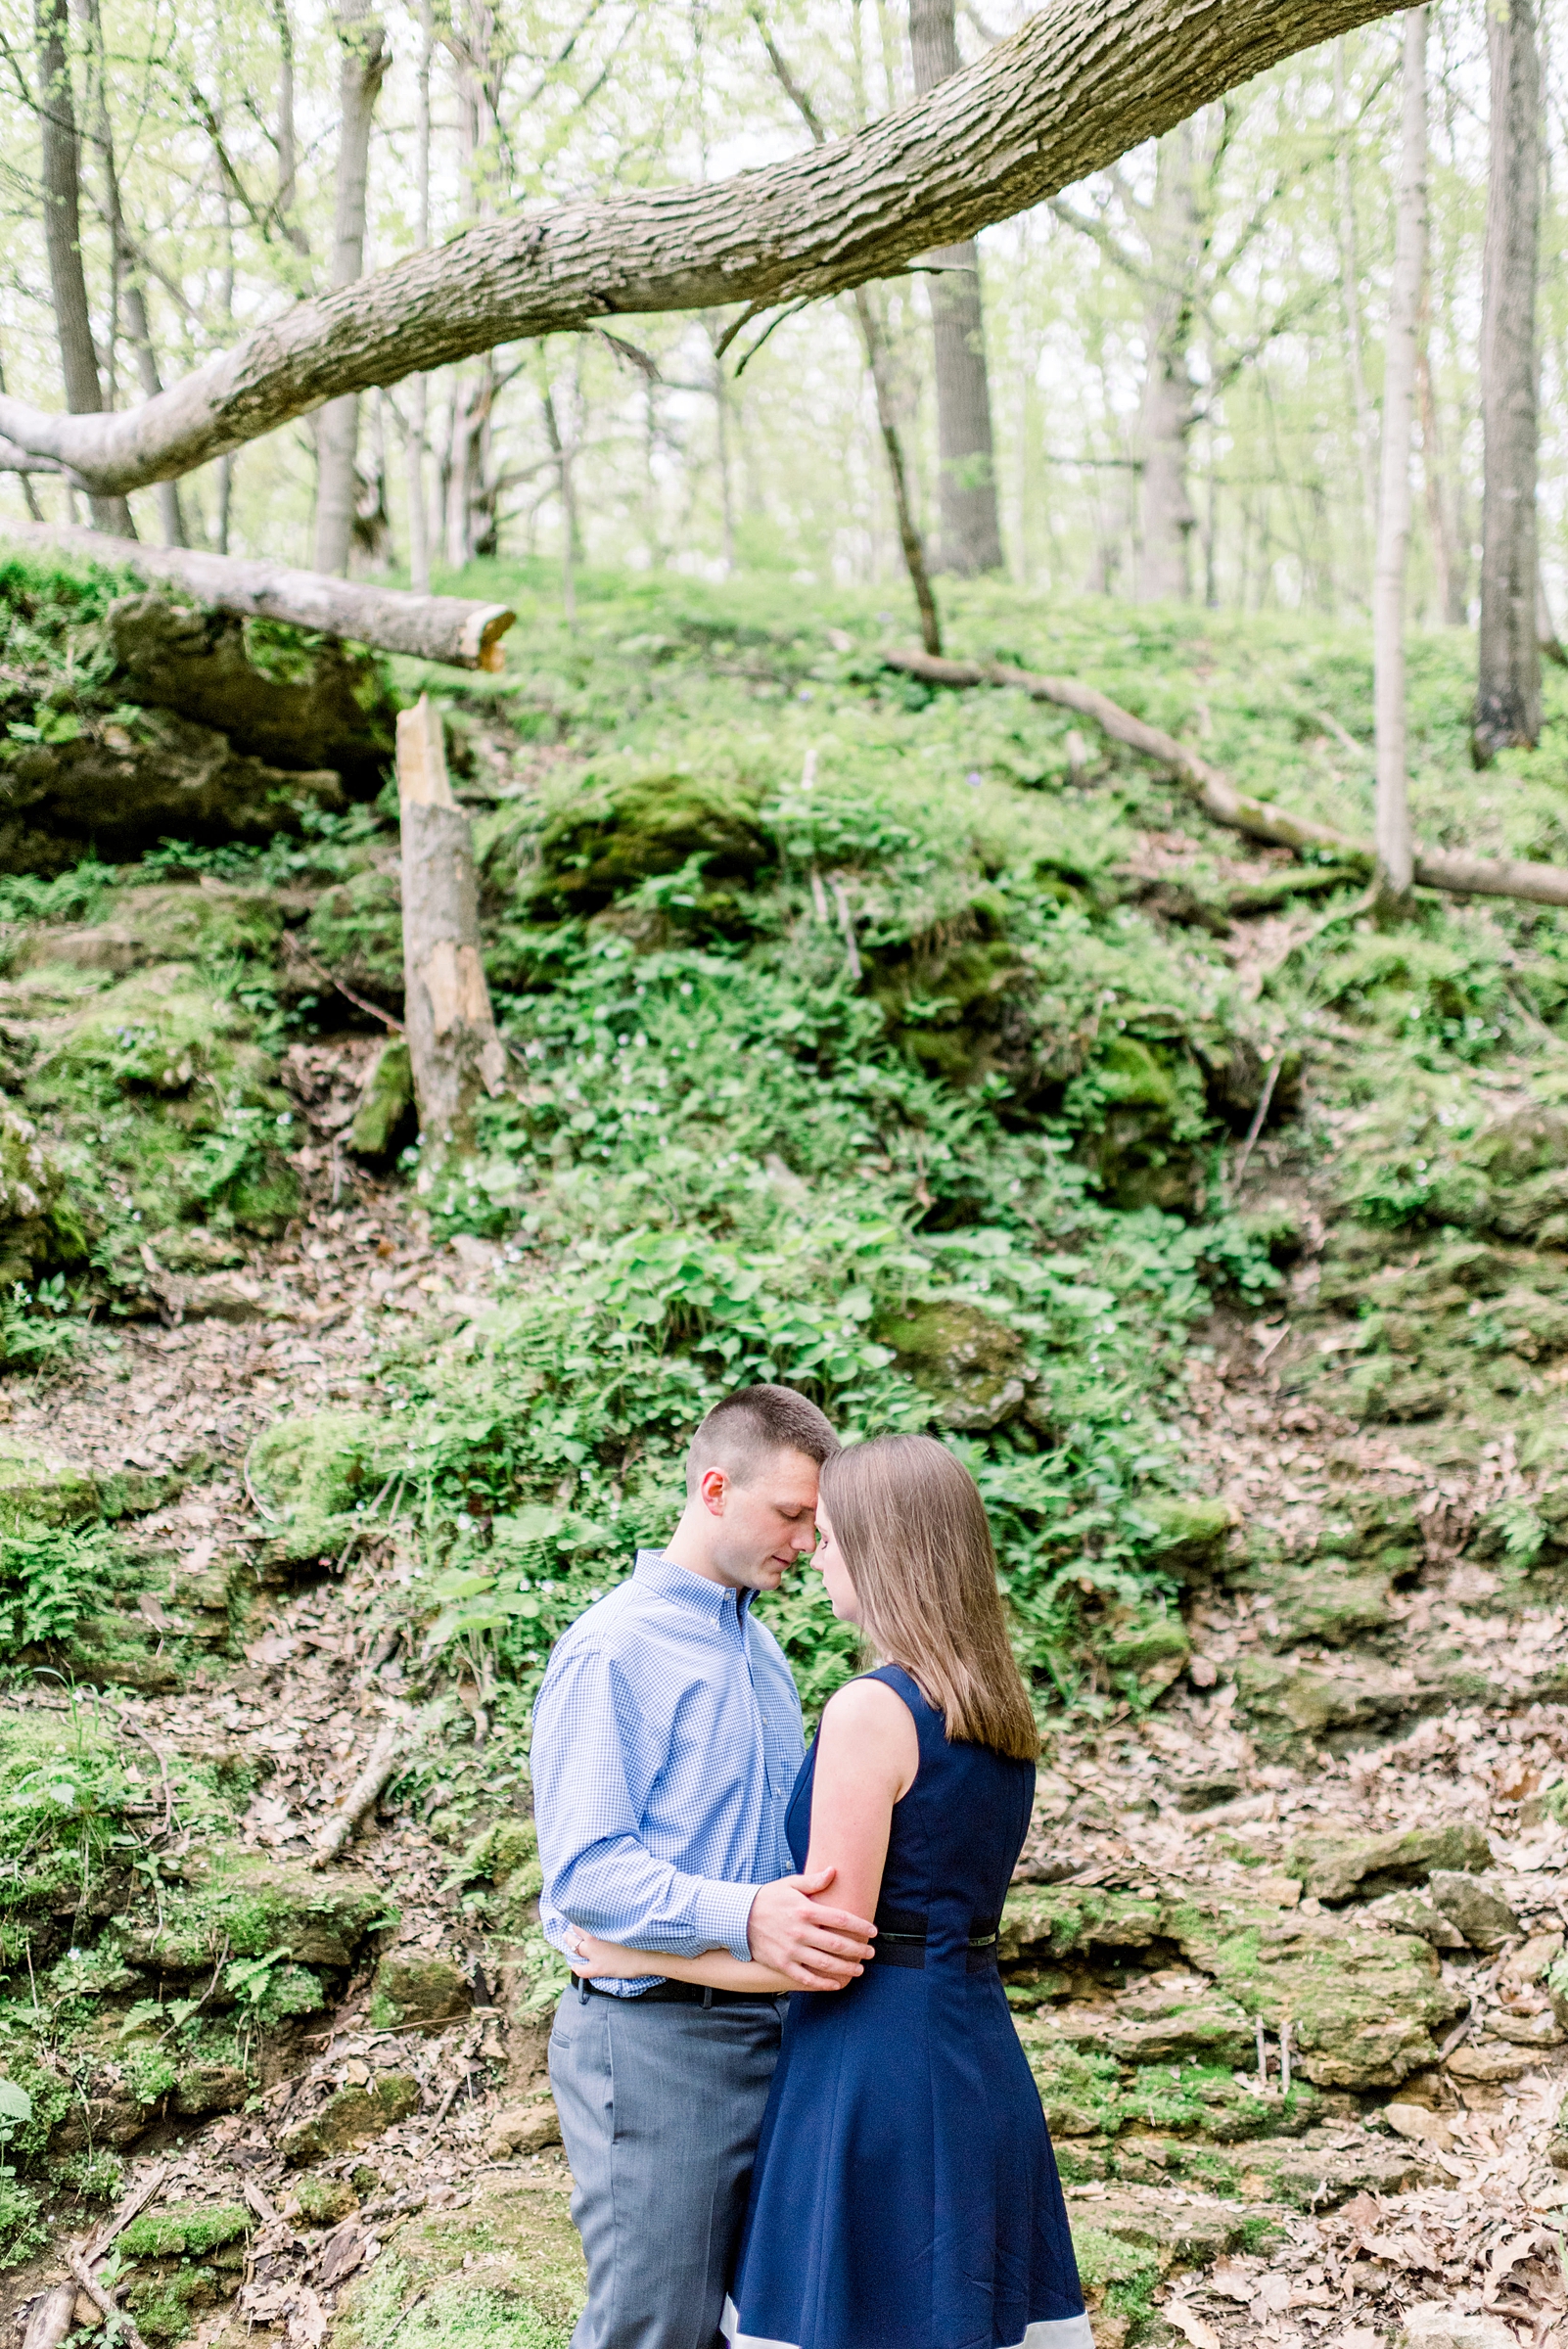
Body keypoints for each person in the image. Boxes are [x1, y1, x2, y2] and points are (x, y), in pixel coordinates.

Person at [570, 1432, 1091, 2349]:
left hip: (870, 2069)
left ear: (888, 1552)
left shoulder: (866, 1708)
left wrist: (627, 1951)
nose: (818, 1553)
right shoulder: (992, 1706)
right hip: (973, 2052)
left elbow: (828, 1951)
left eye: (836, 1534)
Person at [531, 1385, 880, 2349]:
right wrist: (748, 1914)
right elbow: (588, 1878)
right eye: (792, 1515)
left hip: (777, 2032)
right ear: (715, 1488)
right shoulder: (615, 1650)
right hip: (654, 2045)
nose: (809, 1544)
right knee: (658, 2326)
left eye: (817, 1524)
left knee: (754, 2326)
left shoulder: (764, 1659)